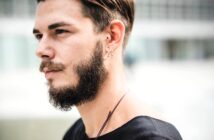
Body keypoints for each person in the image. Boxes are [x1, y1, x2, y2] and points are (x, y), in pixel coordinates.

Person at [33, 0, 182, 139]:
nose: (40, 50)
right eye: (39, 36)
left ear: (112, 36)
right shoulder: (75, 133)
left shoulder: (152, 137)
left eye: (60, 31)